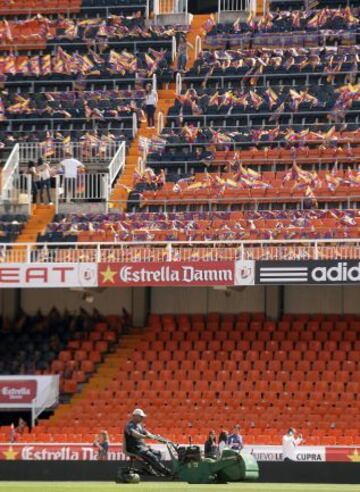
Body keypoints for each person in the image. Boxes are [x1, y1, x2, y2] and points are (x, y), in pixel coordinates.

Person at [124, 408, 171, 477]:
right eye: (141, 417)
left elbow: (147, 433)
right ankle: (166, 472)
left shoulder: (140, 425)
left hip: (142, 448)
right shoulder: (129, 425)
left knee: (158, 454)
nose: (142, 418)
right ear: (135, 416)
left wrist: (156, 437)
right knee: (152, 457)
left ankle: (148, 468)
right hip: (134, 448)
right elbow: (135, 434)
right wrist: (145, 437)